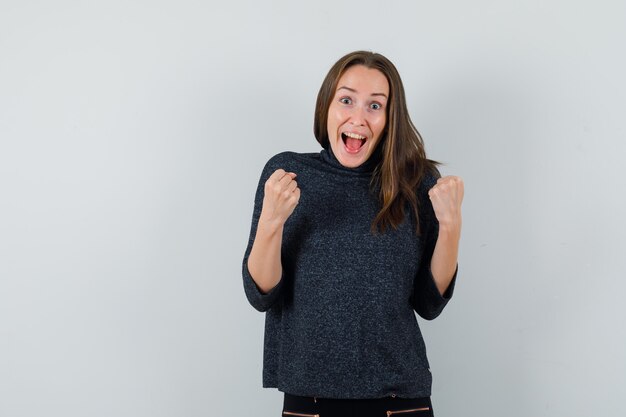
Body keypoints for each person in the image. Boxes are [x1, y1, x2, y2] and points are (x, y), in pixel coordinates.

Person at [242, 51, 464, 417]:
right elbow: (260, 294)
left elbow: (429, 303)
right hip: (308, 400)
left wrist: (451, 227)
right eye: (346, 100)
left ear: (390, 118)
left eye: (375, 105)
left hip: (400, 400)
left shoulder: (417, 183)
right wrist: (271, 222)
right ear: (326, 106)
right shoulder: (288, 174)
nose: (358, 118)